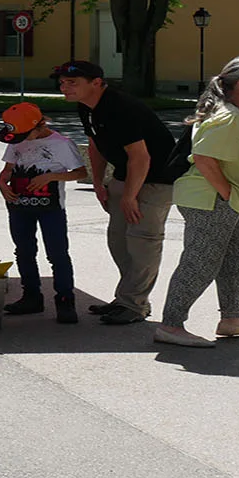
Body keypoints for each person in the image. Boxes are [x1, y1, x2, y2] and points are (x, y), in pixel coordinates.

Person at [154, 57, 239, 347]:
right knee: (200, 261)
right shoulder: (229, 116)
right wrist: (226, 195)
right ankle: (171, 325)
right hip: (211, 199)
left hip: (217, 199)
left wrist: (229, 197)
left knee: (238, 254)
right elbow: (203, 157)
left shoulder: (228, 112)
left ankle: (232, 319)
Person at [54, 60, 178, 325]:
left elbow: (141, 158)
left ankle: (134, 304)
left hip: (156, 180)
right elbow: (95, 144)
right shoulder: (86, 107)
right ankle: (127, 299)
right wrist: (98, 182)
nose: (64, 87)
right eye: (62, 82)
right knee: (118, 241)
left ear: (96, 83)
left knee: (142, 242)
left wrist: (130, 196)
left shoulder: (119, 107)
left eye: (72, 82)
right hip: (125, 176)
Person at [0, 102, 86, 324]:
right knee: (24, 251)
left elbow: (80, 173)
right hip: (19, 205)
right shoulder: (17, 140)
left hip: (51, 208)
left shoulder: (61, 144)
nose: (21, 140)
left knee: (57, 253)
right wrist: (2, 182)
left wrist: (51, 176)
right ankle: (31, 296)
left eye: (24, 135)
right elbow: (7, 169)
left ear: (39, 125)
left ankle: (65, 299)